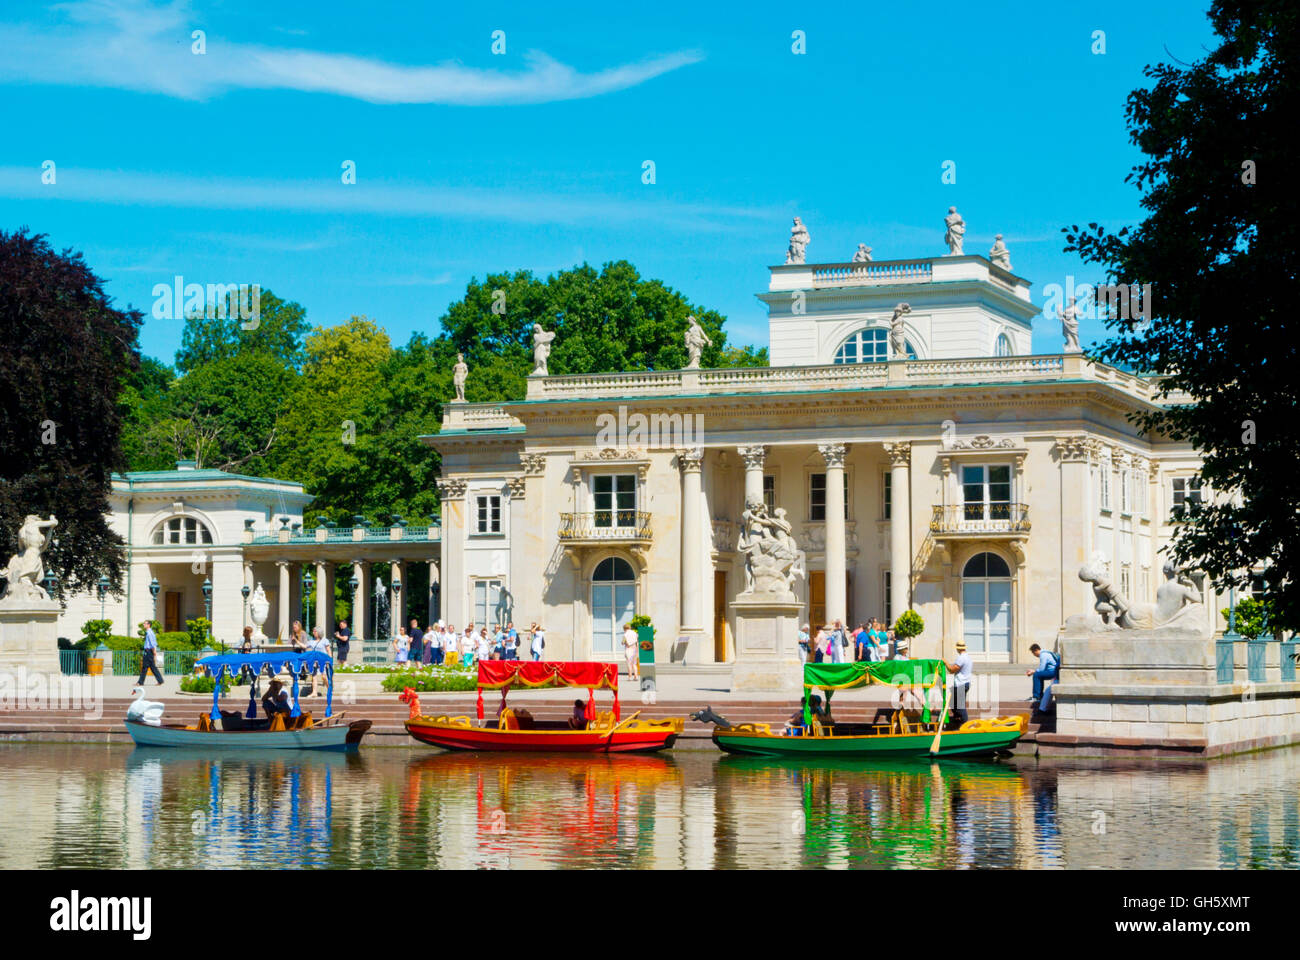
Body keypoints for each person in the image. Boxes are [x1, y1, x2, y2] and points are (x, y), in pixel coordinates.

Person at [945, 639, 974, 724]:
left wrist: (946, 662)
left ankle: (965, 724)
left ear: (958, 648)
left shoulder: (961, 658)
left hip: (961, 684)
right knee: (953, 704)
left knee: (960, 707)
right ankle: (957, 720)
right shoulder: (968, 657)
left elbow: (952, 670)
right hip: (964, 683)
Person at [1027, 643, 1060, 709]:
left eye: (1033, 653)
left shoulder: (1043, 655)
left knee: (1037, 675)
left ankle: (1036, 697)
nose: (1034, 655)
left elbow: (1042, 669)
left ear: (1036, 650)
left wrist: (1033, 672)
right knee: (1039, 676)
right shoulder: (1046, 653)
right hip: (1053, 671)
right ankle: (1039, 696)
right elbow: (1042, 669)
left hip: (1053, 672)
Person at [137, 620, 164, 686]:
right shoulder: (148, 632)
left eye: (145, 623)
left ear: (149, 625)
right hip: (148, 651)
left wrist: (154, 652)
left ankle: (140, 682)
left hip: (149, 651)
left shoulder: (149, 633)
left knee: (146, 667)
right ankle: (160, 680)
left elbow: (152, 643)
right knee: (151, 667)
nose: (143, 624)